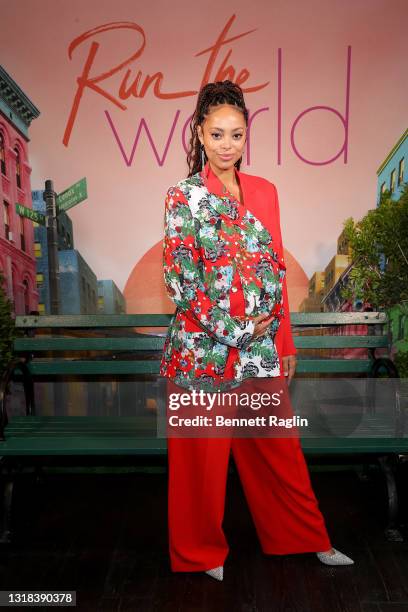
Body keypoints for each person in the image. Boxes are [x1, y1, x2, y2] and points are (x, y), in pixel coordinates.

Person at [159, 80, 354, 581]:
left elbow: (275, 274)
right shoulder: (183, 197)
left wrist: (282, 342)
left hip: (261, 349)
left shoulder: (265, 192)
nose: (228, 146)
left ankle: (307, 536)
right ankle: (200, 553)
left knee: (277, 446)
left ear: (247, 136)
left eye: (238, 135)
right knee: (200, 459)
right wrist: (238, 329)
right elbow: (181, 281)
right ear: (199, 133)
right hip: (203, 350)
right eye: (218, 134)